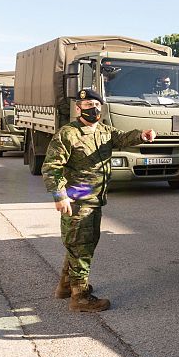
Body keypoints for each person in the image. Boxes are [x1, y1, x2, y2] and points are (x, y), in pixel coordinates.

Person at [41, 88, 157, 312]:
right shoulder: (68, 134)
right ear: (78, 109)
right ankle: (80, 297)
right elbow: (51, 166)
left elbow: (123, 138)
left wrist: (142, 135)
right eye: (87, 106)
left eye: (96, 106)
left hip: (95, 199)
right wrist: (60, 195)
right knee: (81, 246)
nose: (92, 109)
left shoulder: (104, 131)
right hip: (78, 200)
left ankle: (66, 286)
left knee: (82, 244)